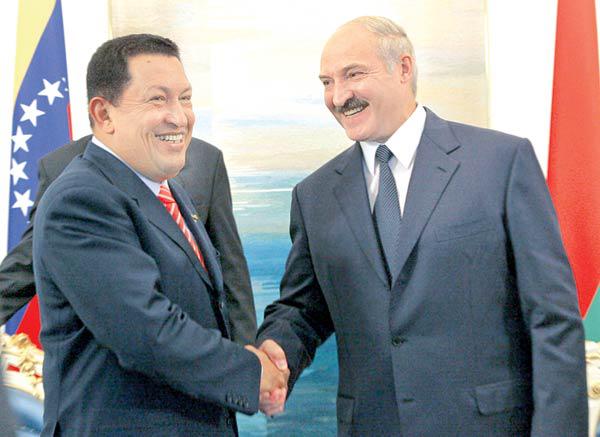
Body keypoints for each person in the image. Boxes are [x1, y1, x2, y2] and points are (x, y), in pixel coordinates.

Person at [256, 16, 588, 436]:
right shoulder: (314, 195)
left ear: (403, 68)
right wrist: (276, 352)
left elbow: (553, 320)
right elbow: (303, 308)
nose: (338, 96)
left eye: (353, 74)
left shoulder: (501, 163)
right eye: (327, 82)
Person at [32, 34, 287, 436]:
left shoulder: (165, 188)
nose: (179, 117)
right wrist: (250, 373)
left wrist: (251, 356)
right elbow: (146, 332)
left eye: (185, 98)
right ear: (103, 113)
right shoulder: (81, 199)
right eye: (157, 100)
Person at [0, 135, 257, 345]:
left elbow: (231, 268)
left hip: (204, 358)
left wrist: (249, 362)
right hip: (111, 368)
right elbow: (24, 266)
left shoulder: (205, 160)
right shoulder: (61, 166)